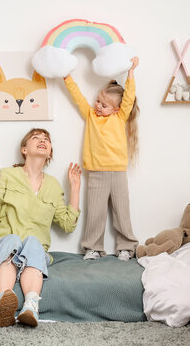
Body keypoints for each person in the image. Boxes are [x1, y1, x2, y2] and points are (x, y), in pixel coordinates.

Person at [0, 128, 81, 328]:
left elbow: (68, 225)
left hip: (32, 254)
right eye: (36, 138)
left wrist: (75, 189)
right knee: (14, 240)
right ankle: (4, 302)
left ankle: (31, 307)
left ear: (49, 152)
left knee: (34, 243)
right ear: (24, 149)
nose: (42, 141)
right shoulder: (7, 174)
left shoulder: (53, 185)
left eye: (46, 140)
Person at [63, 57, 140, 261]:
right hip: (96, 172)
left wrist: (131, 71)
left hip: (117, 172)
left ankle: (127, 246)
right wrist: (67, 77)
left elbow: (129, 98)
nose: (98, 106)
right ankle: (93, 248)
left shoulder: (119, 117)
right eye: (98, 100)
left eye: (104, 105)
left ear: (116, 109)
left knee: (122, 212)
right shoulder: (91, 115)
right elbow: (78, 97)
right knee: (95, 213)